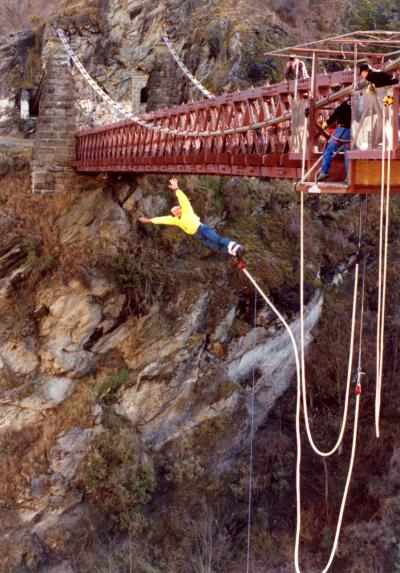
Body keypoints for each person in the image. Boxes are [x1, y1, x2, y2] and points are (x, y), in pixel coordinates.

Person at [138, 178, 245, 259]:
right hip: (197, 235)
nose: (174, 211)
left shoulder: (186, 210)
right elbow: (163, 219)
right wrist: (149, 220)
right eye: (173, 211)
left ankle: (236, 246)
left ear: (179, 209)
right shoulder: (175, 220)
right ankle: (232, 251)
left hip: (201, 228)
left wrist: (176, 189)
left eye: (176, 209)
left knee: (216, 239)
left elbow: (183, 200)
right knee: (215, 246)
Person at [316, 99, 351, 184]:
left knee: (329, 149)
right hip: (350, 132)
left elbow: (335, 115)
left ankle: (324, 171)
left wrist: (326, 123)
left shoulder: (343, 105)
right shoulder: (357, 104)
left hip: (341, 131)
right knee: (348, 155)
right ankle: (348, 177)